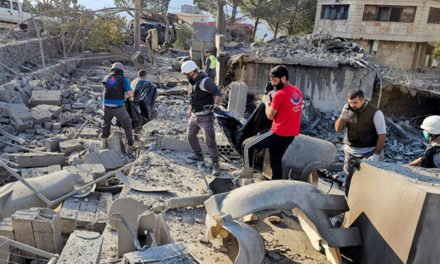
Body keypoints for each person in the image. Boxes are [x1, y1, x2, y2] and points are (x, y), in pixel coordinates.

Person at [242, 65, 303, 180]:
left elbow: (270, 115)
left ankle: (246, 177)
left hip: (278, 133)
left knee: (246, 145)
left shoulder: (280, 94)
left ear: (283, 79)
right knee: (275, 162)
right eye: (272, 81)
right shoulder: (298, 92)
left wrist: (266, 100)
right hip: (290, 136)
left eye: (275, 81)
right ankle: (276, 185)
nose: (273, 84)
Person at [335, 88, 386, 196]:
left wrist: (376, 154)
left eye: (355, 102)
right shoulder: (347, 110)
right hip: (351, 151)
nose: (352, 105)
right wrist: (342, 115)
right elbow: (338, 129)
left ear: (363, 100)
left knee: (367, 182)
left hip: (369, 152)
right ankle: (349, 205)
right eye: (350, 102)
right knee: (349, 181)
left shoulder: (375, 113)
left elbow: (382, 135)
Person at [181, 60, 222, 176]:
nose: (184, 76)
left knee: (209, 140)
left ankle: (215, 163)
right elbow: (194, 98)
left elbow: (218, 93)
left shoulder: (206, 81)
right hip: (195, 115)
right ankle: (198, 155)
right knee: (190, 135)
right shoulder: (192, 82)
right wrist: (190, 109)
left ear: (191, 72)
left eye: (185, 74)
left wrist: (215, 105)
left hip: (205, 117)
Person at [101, 62, 135, 153]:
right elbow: (130, 94)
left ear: (112, 70)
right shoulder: (124, 79)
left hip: (106, 106)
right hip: (118, 107)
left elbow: (104, 91)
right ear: (122, 71)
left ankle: (103, 143)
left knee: (106, 123)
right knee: (127, 123)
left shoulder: (106, 78)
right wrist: (131, 97)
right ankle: (130, 146)